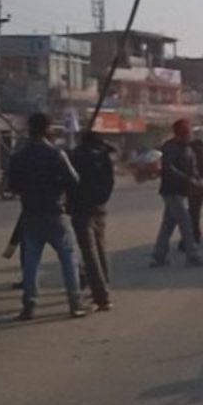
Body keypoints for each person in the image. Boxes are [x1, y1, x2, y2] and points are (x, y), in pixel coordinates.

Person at [8, 113, 86, 320]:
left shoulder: (20, 156)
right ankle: (75, 303)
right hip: (55, 212)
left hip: (30, 213)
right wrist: (58, 188)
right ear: (48, 128)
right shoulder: (56, 154)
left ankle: (29, 304)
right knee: (68, 258)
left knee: (31, 262)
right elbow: (74, 180)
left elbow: (12, 186)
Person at [151, 119, 203, 268]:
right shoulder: (170, 148)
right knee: (186, 223)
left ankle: (158, 256)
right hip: (171, 191)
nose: (188, 136)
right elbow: (169, 168)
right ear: (178, 134)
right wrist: (188, 179)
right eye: (185, 133)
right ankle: (193, 255)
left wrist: (199, 181)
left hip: (182, 191)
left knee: (168, 225)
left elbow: (193, 169)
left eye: (188, 133)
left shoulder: (188, 149)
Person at [67, 131, 115, 312]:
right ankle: (104, 285)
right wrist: (101, 199)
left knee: (89, 253)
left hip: (81, 208)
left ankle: (101, 296)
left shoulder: (76, 156)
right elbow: (110, 181)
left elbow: (69, 180)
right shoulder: (103, 156)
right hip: (99, 207)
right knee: (100, 248)